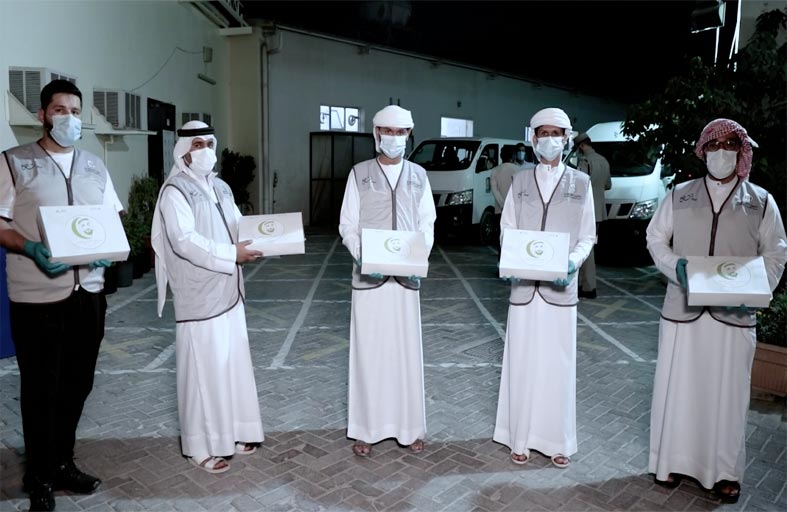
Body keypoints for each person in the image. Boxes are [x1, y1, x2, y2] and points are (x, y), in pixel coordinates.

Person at [646, 118, 787, 503]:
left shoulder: (761, 202)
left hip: (733, 317)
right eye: (713, 145)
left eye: (729, 145)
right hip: (682, 310)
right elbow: (655, 238)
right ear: (703, 150)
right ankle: (670, 462)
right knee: (678, 388)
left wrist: (755, 290)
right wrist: (673, 266)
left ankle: (724, 473)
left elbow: (776, 254)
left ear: (742, 152)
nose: (721, 153)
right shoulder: (679, 195)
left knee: (728, 395)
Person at [0, 80, 122, 511]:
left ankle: (62, 463)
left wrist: (109, 248)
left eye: (75, 110)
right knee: (40, 389)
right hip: (38, 297)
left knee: (77, 384)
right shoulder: (14, 162)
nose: (69, 118)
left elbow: (111, 217)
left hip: (88, 293)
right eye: (59, 110)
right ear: (42, 115)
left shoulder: (94, 165)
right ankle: (38, 475)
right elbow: (0, 224)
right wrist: (30, 247)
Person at [150, 120, 264, 474]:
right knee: (201, 373)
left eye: (209, 144)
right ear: (183, 151)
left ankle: (234, 433)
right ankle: (199, 448)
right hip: (199, 296)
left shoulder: (221, 187)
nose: (204, 151)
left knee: (231, 366)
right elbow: (184, 241)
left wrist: (270, 239)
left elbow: (240, 225)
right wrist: (232, 254)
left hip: (229, 292)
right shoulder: (175, 191)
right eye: (197, 144)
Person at [493, 107, 595, 468]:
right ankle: (518, 436)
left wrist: (571, 263)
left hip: (560, 291)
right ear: (534, 140)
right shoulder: (520, 181)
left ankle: (556, 441)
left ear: (566, 139)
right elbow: (507, 227)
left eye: (556, 134)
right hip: (524, 289)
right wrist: (514, 257)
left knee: (557, 364)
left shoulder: (581, 184)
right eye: (543, 133)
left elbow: (587, 236)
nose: (550, 140)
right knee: (522, 361)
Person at [338, 105, 436, 457]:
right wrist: (364, 257)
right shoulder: (359, 174)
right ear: (376, 133)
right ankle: (367, 429)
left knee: (405, 353)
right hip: (369, 281)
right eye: (388, 131)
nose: (394, 138)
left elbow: (427, 224)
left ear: (409, 134)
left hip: (406, 281)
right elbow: (347, 225)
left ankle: (410, 428)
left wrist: (418, 256)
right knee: (370, 353)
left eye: (401, 132)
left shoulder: (419, 175)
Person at [573, 132, 611, 299]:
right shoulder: (603, 160)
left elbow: (579, 186)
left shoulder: (584, 161)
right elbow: (608, 185)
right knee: (590, 246)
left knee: (584, 248)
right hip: (599, 211)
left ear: (581, 146)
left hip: (585, 210)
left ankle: (587, 286)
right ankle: (586, 284)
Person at [490, 146, 521, 214]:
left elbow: (495, 191)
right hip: (515, 208)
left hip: (500, 210)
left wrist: (503, 205)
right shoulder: (519, 170)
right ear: (513, 156)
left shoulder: (495, 170)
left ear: (501, 156)